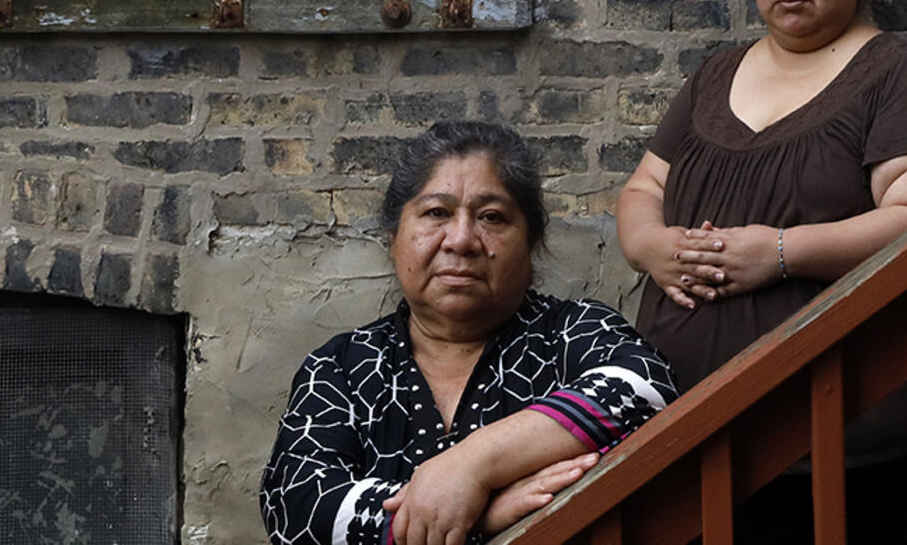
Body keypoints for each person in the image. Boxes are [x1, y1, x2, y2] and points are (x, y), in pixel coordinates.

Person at [615, 0, 907, 543]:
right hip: (682, 425)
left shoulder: (896, 75)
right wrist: (650, 248)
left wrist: (780, 254)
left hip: (840, 434)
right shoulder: (715, 75)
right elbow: (642, 189)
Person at [261, 122, 678, 545]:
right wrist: (481, 516)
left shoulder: (572, 331)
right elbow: (298, 507)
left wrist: (472, 466)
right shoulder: (341, 367)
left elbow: (645, 390)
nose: (461, 240)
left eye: (491, 217)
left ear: (532, 243)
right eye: (436, 213)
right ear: (394, 239)